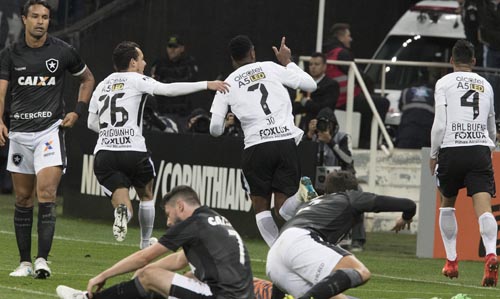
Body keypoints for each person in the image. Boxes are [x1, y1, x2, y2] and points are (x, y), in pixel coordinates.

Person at [87, 41, 229, 248]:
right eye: (142, 58)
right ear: (133, 62)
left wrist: (112, 132)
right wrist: (206, 84)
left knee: (122, 201)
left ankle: (123, 215)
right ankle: (145, 242)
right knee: (146, 195)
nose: (144, 62)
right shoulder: (137, 79)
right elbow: (168, 90)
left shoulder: (102, 84)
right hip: (133, 151)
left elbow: (92, 123)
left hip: (105, 153)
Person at [0, 0, 95, 278]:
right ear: (24, 19)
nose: (41, 21)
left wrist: (78, 112)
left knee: (47, 194)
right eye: (35, 16)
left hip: (49, 132)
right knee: (22, 198)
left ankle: (42, 260)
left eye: (45, 17)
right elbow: (1, 91)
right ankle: (25, 262)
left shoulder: (63, 51)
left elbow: (87, 79)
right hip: (19, 134)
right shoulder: (10, 54)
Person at [209, 35, 317, 247]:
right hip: (285, 141)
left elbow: (214, 128)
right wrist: (287, 61)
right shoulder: (270, 67)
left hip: (256, 146)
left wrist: (224, 126)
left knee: (261, 207)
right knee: (284, 208)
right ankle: (302, 194)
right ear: (253, 53)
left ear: (232, 59)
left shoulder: (227, 83)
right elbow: (310, 84)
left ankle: (278, 253)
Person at [55, 185, 254, 299]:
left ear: (180, 206)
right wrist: (142, 273)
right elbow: (178, 260)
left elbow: (144, 257)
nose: (168, 222)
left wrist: (103, 275)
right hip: (237, 295)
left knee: (151, 275)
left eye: (168, 214)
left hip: (221, 296)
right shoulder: (214, 220)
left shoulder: (194, 223)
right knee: (184, 276)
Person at [266, 170, 416, 299]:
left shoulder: (311, 205)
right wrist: (405, 218)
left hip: (275, 258)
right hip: (301, 240)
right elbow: (409, 205)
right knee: (360, 271)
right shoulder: (349, 197)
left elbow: (288, 254)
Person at [430, 39, 498, 286]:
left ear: (451, 61)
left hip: (451, 148)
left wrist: (433, 154)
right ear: (474, 62)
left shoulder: (444, 82)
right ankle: (491, 253)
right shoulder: (486, 85)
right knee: (484, 207)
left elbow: (440, 122)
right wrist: (488, 146)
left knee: (447, 203)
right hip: (479, 149)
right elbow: (491, 125)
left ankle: (451, 260)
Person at [150, 34, 199, 118]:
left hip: (183, 112)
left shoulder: (189, 63)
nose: (172, 50)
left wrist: (168, 81)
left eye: (175, 47)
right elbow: (154, 83)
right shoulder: (159, 63)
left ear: (182, 48)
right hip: (163, 110)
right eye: (170, 47)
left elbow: (191, 83)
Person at [293, 52, 339, 131]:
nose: (313, 67)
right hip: (305, 126)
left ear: (324, 66)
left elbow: (325, 108)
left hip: (323, 127)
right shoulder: (306, 83)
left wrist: (306, 103)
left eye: (317, 64)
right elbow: (296, 107)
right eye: (311, 64)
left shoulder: (331, 85)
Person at [396, 71, 436, 149]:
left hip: (406, 135)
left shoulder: (405, 92)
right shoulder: (435, 94)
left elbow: (400, 108)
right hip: (427, 137)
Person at [477, 0, 500, 68]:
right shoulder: (484, 5)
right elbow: (486, 26)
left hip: (491, 46)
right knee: (491, 75)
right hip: (491, 47)